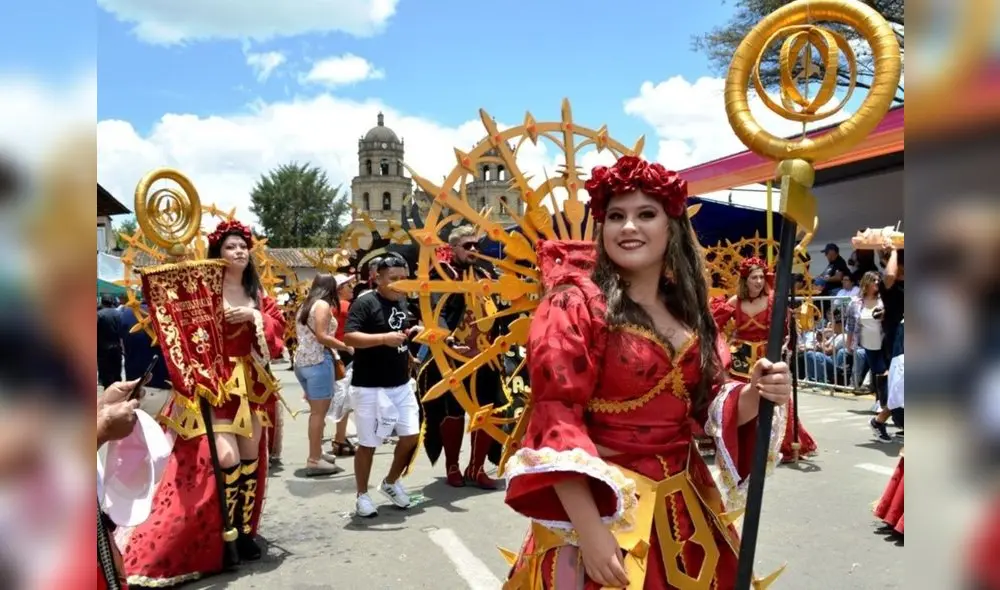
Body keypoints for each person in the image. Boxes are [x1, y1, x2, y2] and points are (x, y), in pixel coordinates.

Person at [503, 156, 791, 588]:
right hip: (606, 508)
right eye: (615, 216)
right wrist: (591, 531)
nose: (629, 227)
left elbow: (709, 403)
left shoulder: (691, 309)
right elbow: (556, 420)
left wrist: (758, 392)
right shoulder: (574, 304)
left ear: (671, 225)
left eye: (646, 214)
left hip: (687, 509)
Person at [120, 219, 286, 586]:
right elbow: (176, 324)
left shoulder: (260, 297)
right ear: (217, 254)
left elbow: (277, 336)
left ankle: (243, 533)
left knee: (249, 458)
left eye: (243, 246)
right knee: (223, 458)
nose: (239, 251)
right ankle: (220, 536)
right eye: (230, 247)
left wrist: (254, 316)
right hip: (214, 384)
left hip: (252, 387)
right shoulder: (203, 294)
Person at [416, 224, 506, 489]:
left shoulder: (484, 273)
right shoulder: (442, 274)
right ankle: (452, 466)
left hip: (486, 354)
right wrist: (446, 338)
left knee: (487, 411)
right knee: (451, 412)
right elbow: (435, 309)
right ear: (453, 248)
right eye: (468, 246)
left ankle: (476, 469)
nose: (474, 250)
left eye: (476, 245)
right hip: (453, 355)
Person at [713, 257, 816, 463]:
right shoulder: (735, 302)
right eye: (754, 277)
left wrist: (791, 327)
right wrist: (722, 346)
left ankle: (786, 444)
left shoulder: (772, 301)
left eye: (761, 277)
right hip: (741, 359)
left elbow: (786, 330)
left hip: (766, 356)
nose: (759, 281)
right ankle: (739, 443)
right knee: (739, 399)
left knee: (776, 397)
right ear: (745, 280)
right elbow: (713, 325)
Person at [343, 255, 422, 518]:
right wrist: (383, 339)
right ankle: (361, 496)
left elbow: (403, 331)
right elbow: (349, 336)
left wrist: (411, 340)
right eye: (393, 279)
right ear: (378, 278)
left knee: (411, 436)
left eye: (403, 278)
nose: (399, 284)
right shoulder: (364, 303)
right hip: (369, 386)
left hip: (400, 384)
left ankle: (390, 481)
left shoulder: (402, 301)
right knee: (368, 443)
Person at [294, 273, 352, 476]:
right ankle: (314, 459)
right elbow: (322, 336)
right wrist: (345, 346)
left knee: (316, 412)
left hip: (302, 361)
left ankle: (317, 453)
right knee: (318, 413)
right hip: (318, 361)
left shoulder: (306, 304)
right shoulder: (322, 306)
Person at [845, 271, 892, 442]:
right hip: (868, 343)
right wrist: (849, 345)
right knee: (880, 373)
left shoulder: (883, 299)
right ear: (866, 284)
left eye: (879, 281)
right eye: (874, 281)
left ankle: (887, 405)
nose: (877, 284)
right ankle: (883, 403)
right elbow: (850, 326)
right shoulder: (855, 303)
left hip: (885, 341)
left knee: (886, 373)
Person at [329, 273, 359, 457]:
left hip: (336, 353)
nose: (352, 288)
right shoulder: (346, 307)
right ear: (340, 289)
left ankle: (340, 438)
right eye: (348, 285)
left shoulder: (329, 306)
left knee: (342, 398)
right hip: (347, 353)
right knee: (346, 399)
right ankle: (339, 440)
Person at [97, 294, 123, 388]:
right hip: (117, 349)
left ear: (102, 302)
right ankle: (119, 394)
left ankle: (109, 396)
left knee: (106, 376)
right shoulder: (119, 314)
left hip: (103, 350)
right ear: (112, 302)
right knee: (117, 374)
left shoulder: (98, 315)